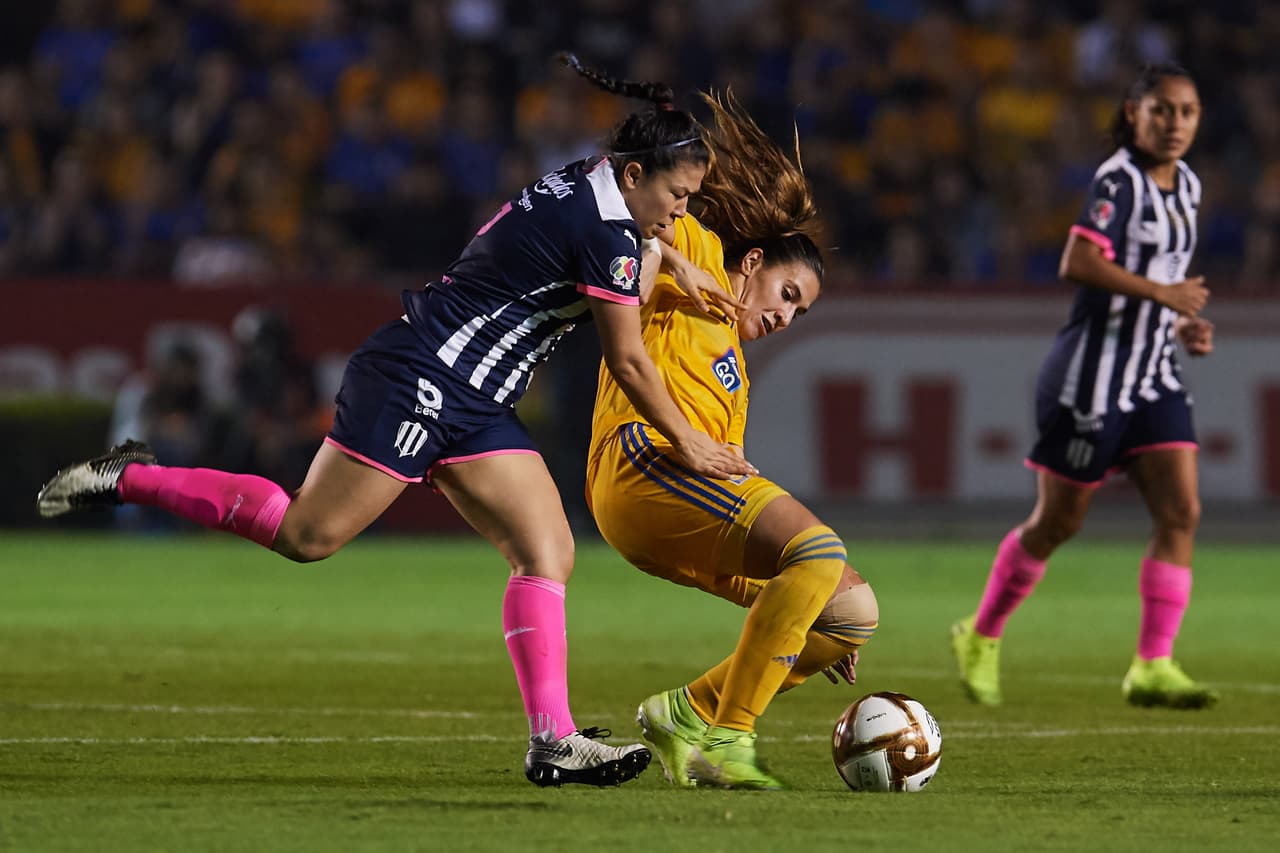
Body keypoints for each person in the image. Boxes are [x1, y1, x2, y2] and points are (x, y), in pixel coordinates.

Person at [35, 55, 757, 788]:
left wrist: (670, 255)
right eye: (678, 193)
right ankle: (131, 475)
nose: (683, 211)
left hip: (475, 402)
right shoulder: (608, 233)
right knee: (307, 536)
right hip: (420, 378)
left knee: (547, 551)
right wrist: (690, 442)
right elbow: (630, 362)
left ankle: (554, 739)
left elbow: (612, 232)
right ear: (635, 175)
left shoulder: (592, 185)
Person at [581, 83, 880, 790]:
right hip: (641, 461)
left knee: (847, 612)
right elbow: (641, 230)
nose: (786, 318)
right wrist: (679, 261)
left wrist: (802, 606)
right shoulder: (704, 247)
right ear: (753, 265)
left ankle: (687, 712)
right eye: (787, 296)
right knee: (818, 550)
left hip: (669, 501)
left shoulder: (733, 375)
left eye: (799, 315)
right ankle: (730, 738)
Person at [951, 62, 1219, 710]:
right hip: (1089, 377)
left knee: (1181, 510)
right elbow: (1079, 260)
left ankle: (1152, 663)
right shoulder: (1116, 180)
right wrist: (1162, 293)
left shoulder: (1187, 186)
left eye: (1186, 111)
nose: (1175, 123)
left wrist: (1181, 323)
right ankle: (980, 634)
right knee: (1058, 522)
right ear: (1135, 114)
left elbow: (1163, 281)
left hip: (1152, 370)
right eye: (1162, 110)